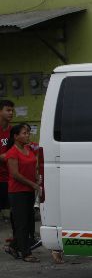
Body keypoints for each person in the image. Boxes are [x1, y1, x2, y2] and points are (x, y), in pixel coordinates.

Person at [4, 123, 40, 262]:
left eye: (28, 133)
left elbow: (32, 167)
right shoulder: (12, 152)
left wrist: (37, 178)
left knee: (28, 222)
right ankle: (26, 253)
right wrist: (32, 184)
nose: (27, 135)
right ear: (16, 136)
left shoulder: (28, 149)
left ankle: (13, 246)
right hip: (18, 192)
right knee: (22, 223)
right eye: (24, 133)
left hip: (29, 190)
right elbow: (15, 174)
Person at [0, 100, 14, 224]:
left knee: (11, 209)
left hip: (9, 177)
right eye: (8, 110)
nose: (11, 113)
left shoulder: (13, 131)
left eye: (12, 110)